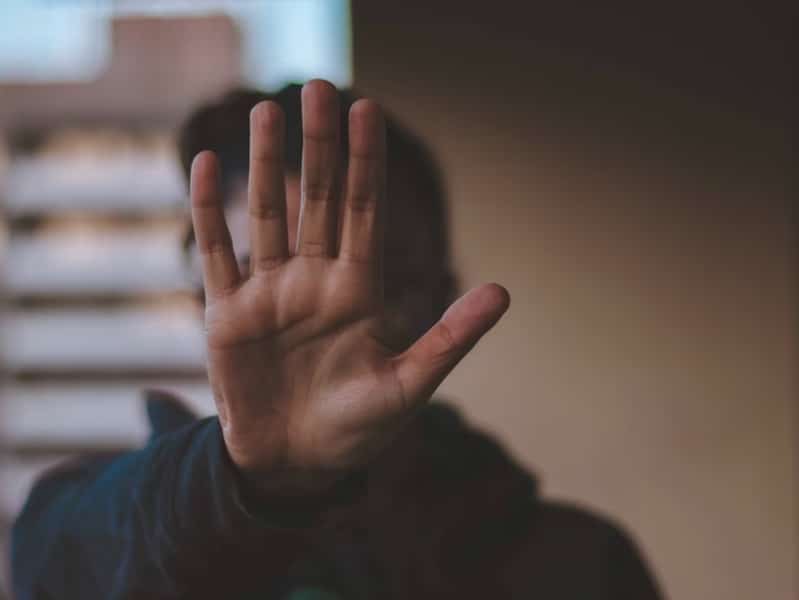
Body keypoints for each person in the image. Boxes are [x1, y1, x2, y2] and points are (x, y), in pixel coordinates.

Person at [11, 80, 662, 599]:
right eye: (261, 271)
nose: (309, 317)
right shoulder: (99, 527)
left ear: (439, 297)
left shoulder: (577, 567)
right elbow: (55, 568)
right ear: (199, 307)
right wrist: (260, 480)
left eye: (366, 271)